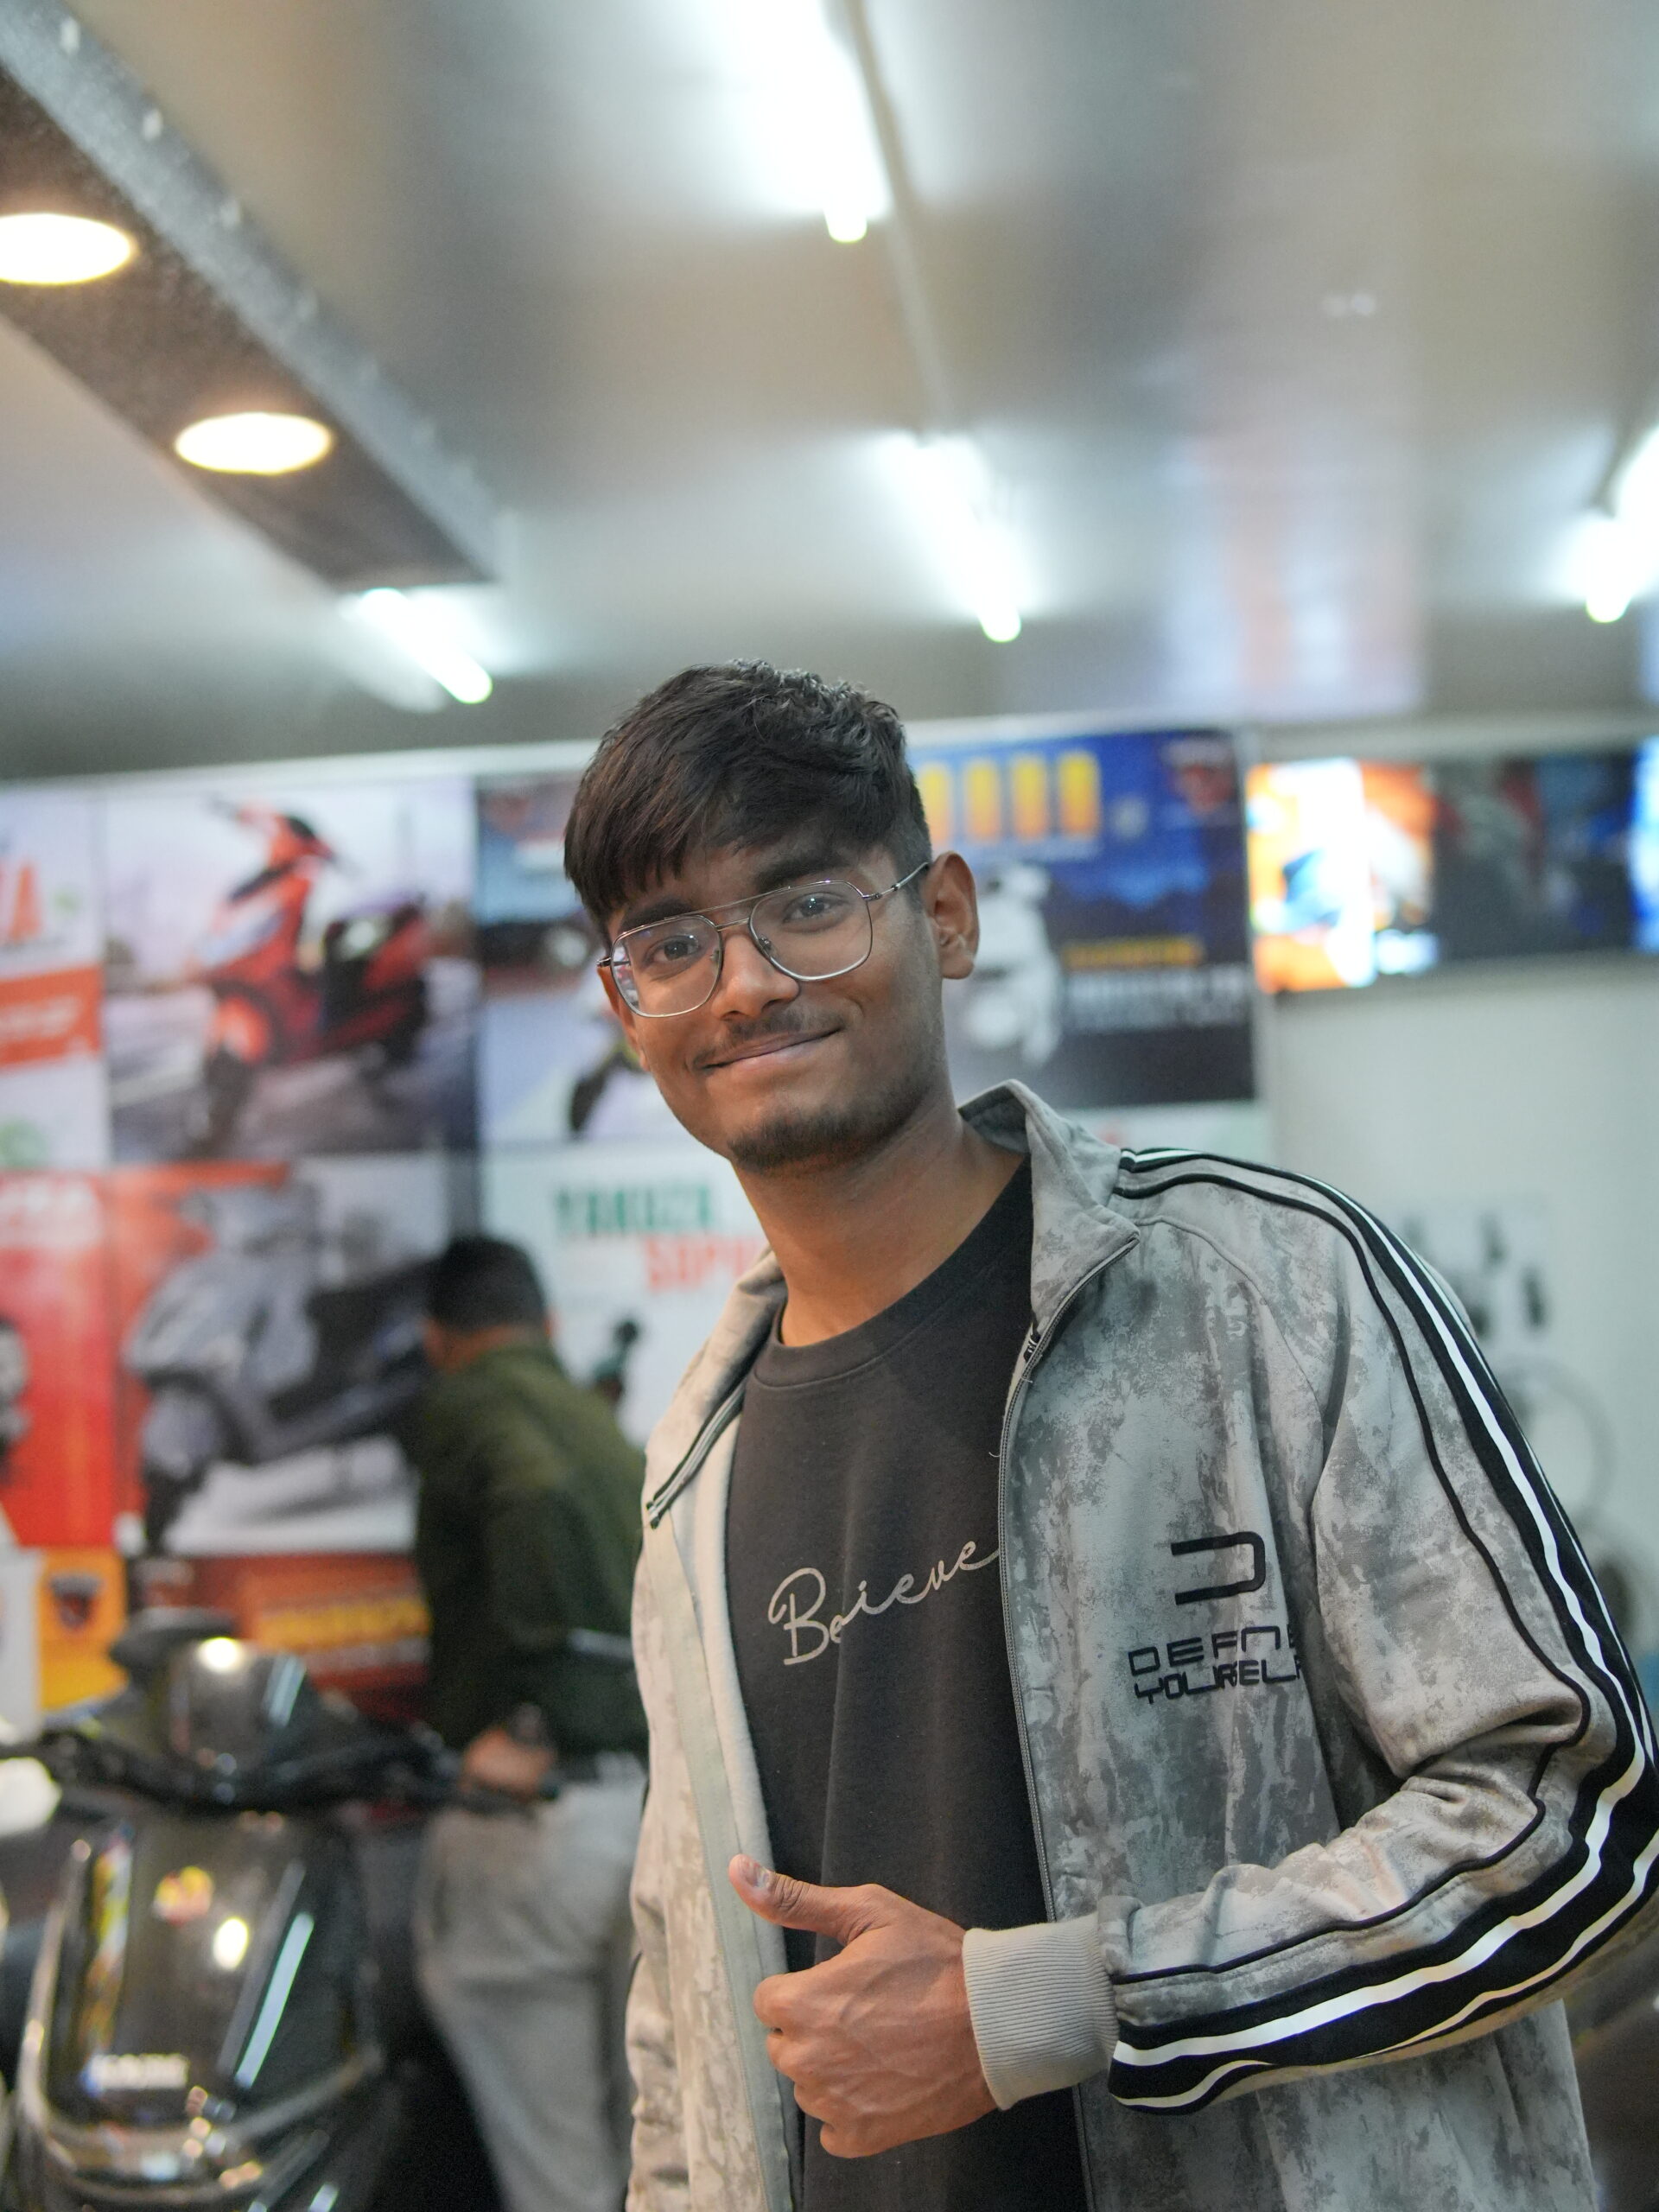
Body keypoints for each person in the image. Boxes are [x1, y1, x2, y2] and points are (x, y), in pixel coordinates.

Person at [556, 661, 1659, 2212]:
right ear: (629, 1006)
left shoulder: (1264, 1290)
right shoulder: (696, 1468)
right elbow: (682, 2036)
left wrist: (1064, 2003)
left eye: (807, 905)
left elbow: (1573, 1817)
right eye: (672, 943)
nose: (743, 985)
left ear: (946, 917)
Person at [402, 1233, 648, 2212]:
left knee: (561, 2182)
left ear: (436, 1340)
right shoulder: (595, 1422)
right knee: (655, 2160)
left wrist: (534, 1715)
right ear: (544, 1322)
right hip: (634, 1813)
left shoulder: (474, 1403)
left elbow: (529, 1486)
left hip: (535, 1825)